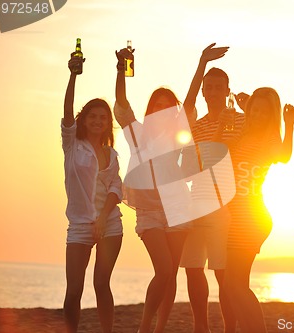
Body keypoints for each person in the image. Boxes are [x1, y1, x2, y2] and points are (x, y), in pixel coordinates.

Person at [114, 44, 219, 332]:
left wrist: (201, 63)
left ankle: (159, 328)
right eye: (156, 106)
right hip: (149, 211)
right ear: (150, 110)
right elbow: (121, 102)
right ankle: (145, 327)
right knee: (162, 270)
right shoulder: (137, 133)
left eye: (166, 107)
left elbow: (191, 97)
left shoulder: (177, 133)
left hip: (178, 209)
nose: (161, 111)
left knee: (170, 273)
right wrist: (120, 70)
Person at [219, 87, 294, 332]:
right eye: (255, 109)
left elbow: (284, 156)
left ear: (271, 116)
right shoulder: (243, 132)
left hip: (250, 217)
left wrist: (290, 124)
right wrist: (245, 110)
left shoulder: (269, 138)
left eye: (265, 112)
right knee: (232, 284)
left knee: (234, 285)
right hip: (237, 215)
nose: (258, 115)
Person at [179, 44, 241, 333]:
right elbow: (187, 104)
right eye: (209, 88)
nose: (213, 92)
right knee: (193, 268)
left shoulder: (240, 120)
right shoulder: (196, 125)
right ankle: (200, 326)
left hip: (225, 205)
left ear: (228, 90)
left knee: (223, 273)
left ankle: (230, 327)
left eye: (219, 87)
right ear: (204, 92)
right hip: (196, 202)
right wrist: (202, 62)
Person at [62, 54, 123, 333]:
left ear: (107, 123)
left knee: (101, 283)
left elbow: (115, 189)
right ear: (84, 120)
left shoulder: (111, 154)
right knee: (74, 289)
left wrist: (102, 219)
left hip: (109, 223)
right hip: (79, 224)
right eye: (93, 116)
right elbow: (67, 111)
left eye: (103, 117)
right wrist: (73, 75)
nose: (98, 121)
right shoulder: (73, 145)